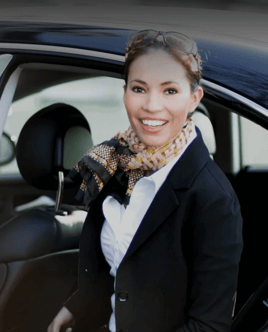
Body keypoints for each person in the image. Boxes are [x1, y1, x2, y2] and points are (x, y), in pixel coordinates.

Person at [47, 30, 243, 332]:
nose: (152, 106)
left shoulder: (212, 198)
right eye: (139, 89)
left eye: (169, 91)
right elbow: (117, 271)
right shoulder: (113, 163)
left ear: (194, 98)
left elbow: (209, 326)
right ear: (125, 92)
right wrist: (76, 307)